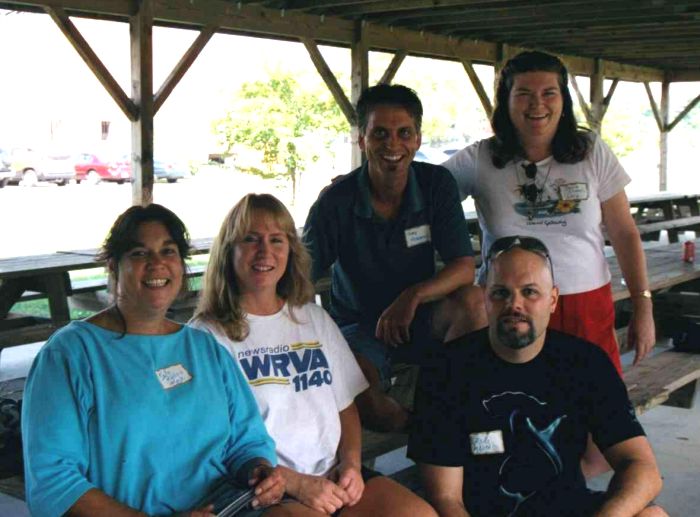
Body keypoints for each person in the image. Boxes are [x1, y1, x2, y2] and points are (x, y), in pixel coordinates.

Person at [22, 204, 285, 517]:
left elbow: (248, 441)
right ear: (113, 266)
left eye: (168, 251)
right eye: (139, 253)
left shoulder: (204, 349)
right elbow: (54, 482)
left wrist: (258, 470)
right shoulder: (71, 354)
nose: (157, 263)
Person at [191, 193, 437, 517]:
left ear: (290, 250)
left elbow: (345, 404)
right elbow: (212, 442)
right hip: (263, 487)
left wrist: (351, 465)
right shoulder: (206, 335)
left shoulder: (312, 318)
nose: (265, 251)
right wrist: (295, 483)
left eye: (276, 240)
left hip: (331, 474)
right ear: (228, 250)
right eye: (250, 239)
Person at [408, 235, 667, 517]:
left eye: (530, 292)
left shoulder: (585, 362)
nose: (514, 305)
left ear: (553, 300)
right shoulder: (446, 369)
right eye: (500, 293)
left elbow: (643, 467)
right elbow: (446, 499)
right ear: (485, 298)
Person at [442, 50, 655, 377]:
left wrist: (643, 304)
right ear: (506, 101)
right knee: (511, 398)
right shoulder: (480, 159)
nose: (536, 104)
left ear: (563, 100)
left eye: (548, 93)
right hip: (510, 308)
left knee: (593, 398)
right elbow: (422, 193)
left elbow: (624, 233)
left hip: (585, 304)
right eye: (523, 94)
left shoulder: (592, 151)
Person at [303, 84, 478, 432]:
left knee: (474, 302)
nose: (392, 144)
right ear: (362, 140)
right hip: (359, 327)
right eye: (380, 133)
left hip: (422, 316)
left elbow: (464, 268)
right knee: (364, 402)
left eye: (404, 133)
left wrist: (412, 296)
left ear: (417, 139)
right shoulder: (336, 201)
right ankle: (427, 429)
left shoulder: (435, 184)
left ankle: (456, 410)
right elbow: (299, 275)